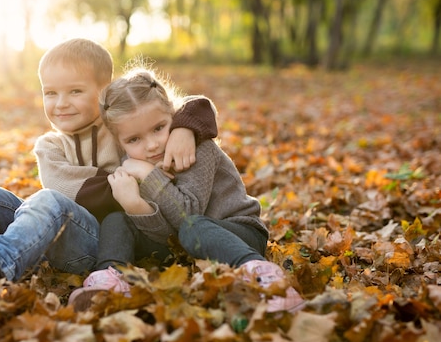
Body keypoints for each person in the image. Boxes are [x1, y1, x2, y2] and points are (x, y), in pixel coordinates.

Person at [0, 38, 218, 288]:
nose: (61, 103)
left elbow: (194, 104)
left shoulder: (123, 128)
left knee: (48, 203)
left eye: (75, 91)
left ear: (106, 93)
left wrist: (185, 130)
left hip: (104, 246)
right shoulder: (49, 147)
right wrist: (126, 175)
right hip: (59, 229)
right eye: (51, 93)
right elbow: (73, 194)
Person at [68, 66, 305, 313]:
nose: (151, 145)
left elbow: (185, 215)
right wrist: (135, 206)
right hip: (184, 242)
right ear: (119, 142)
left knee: (195, 226)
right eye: (133, 140)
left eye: (159, 128)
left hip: (237, 233)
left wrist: (149, 176)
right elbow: (169, 233)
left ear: (173, 114)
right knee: (117, 220)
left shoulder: (197, 148)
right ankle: (109, 281)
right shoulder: (130, 163)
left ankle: (264, 277)